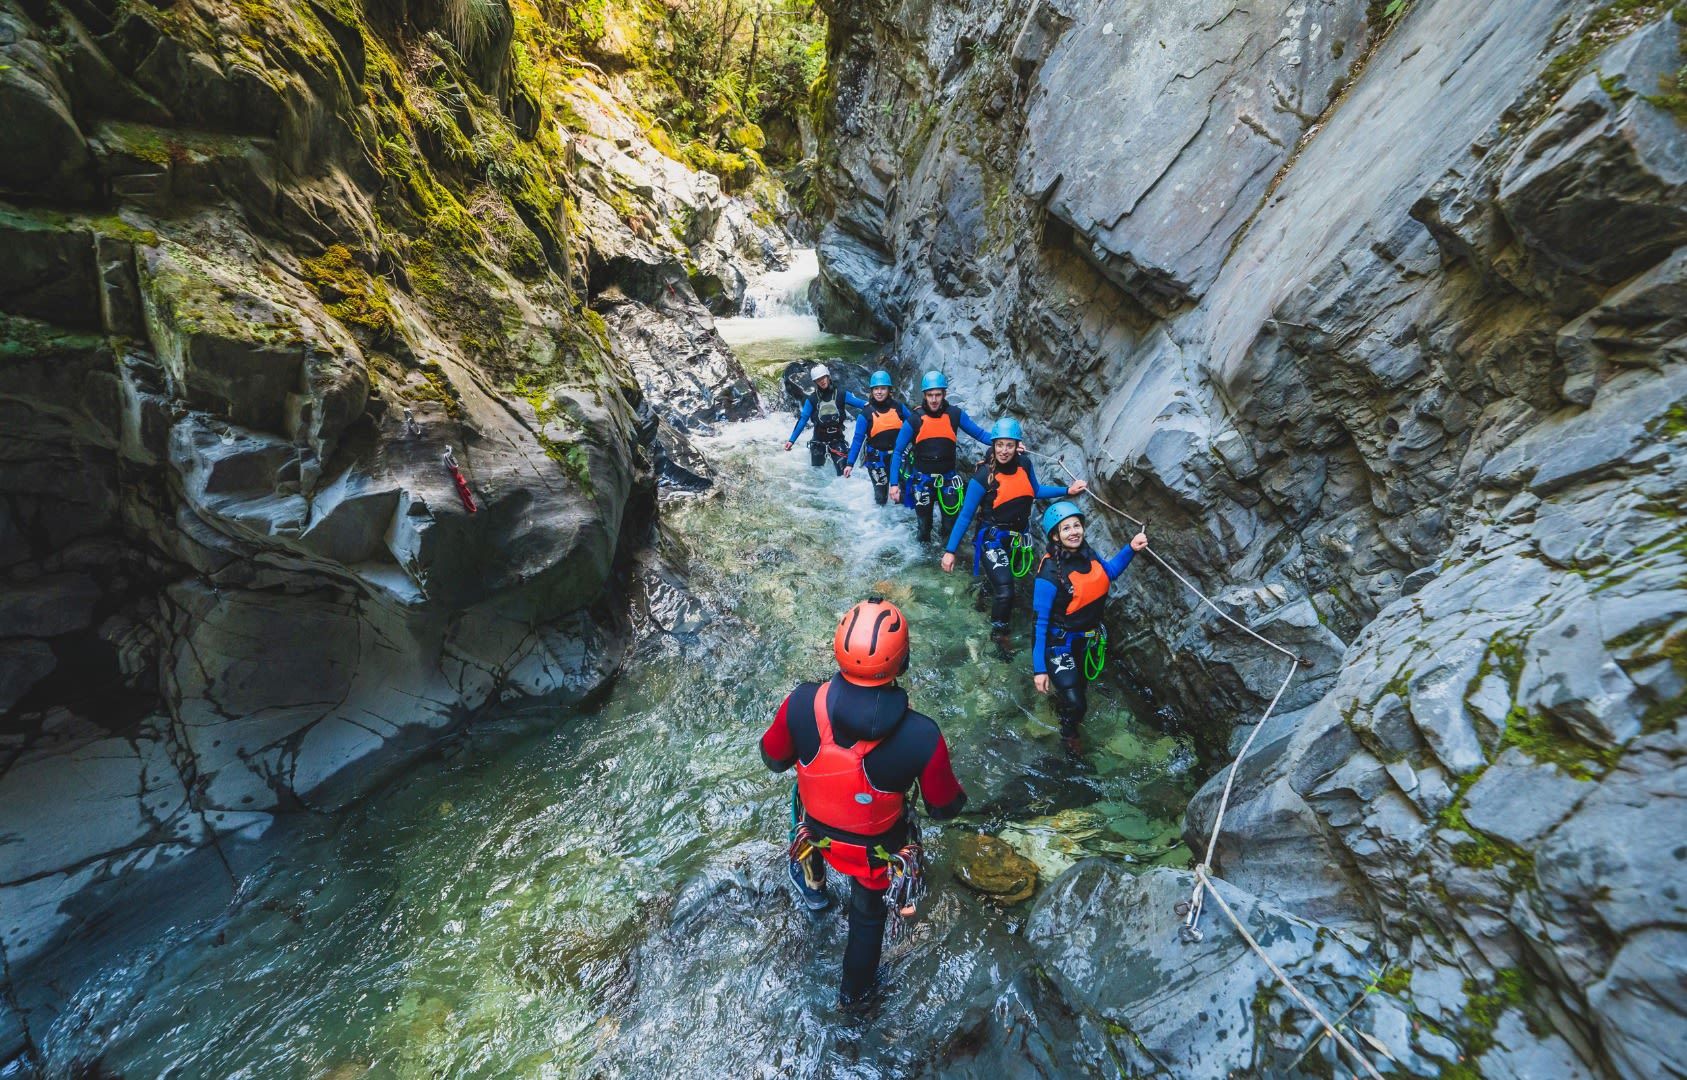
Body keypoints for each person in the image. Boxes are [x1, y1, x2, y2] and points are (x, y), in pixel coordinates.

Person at [760, 598, 968, 1009]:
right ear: (902, 663)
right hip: (875, 853)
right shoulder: (922, 735)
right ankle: (854, 999)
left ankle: (815, 886)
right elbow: (944, 806)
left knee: (801, 789)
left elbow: (773, 757)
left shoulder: (802, 701)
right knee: (867, 912)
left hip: (816, 834)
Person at [940, 418, 1085, 652]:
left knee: (999, 583)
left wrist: (1067, 490)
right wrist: (950, 551)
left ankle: (981, 598)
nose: (1004, 451)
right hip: (992, 539)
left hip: (1017, 539)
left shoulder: (1025, 465)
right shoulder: (982, 477)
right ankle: (999, 636)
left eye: (1009, 445)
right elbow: (965, 516)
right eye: (1000, 445)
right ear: (993, 445)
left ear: (1018, 445)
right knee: (1007, 590)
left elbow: (1035, 491)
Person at [1031, 501, 1149, 754]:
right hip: (1059, 644)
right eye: (1066, 528)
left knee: (1078, 692)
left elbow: (1111, 573)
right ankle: (1068, 736)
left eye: (1077, 526)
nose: (1074, 532)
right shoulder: (1049, 574)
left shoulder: (1089, 554)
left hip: (1086, 640)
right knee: (1077, 702)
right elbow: (1039, 624)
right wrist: (1039, 670)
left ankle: (1064, 706)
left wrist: (1131, 548)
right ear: (1055, 535)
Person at [886, 371, 991, 543]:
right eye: (930, 395)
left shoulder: (955, 415)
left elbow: (979, 434)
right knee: (923, 527)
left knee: (950, 526)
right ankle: (924, 563)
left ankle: (946, 557)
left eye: (937, 395)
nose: (934, 400)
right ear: (924, 395)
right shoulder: (914, 420)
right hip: (922, 482)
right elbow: (897, 451)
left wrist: (1004, 440)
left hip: (948, 480)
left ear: (944, 394)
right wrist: (894, 484)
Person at [842, 370, 911, 505]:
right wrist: (850, 464)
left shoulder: (899, 408)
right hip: (876, 460)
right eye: (876, 389)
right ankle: (881, 521)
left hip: (898, 457)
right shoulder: (866, 413)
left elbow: (915, 424)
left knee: (902, 494)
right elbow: (857, 440)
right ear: (872, 391)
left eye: (883, 388)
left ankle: (902, 522)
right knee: (881, 497)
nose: (879, 392)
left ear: (889, 390)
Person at [785, 364, 866, 475]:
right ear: (815, 382)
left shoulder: (841, 394)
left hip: (837, 441)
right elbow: (803, 420)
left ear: (828, 377)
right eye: (818, 379)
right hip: (818, 443)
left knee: (844, 475)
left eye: (823, 377)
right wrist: (791, 440)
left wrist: (876, 404)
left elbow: (862, 404)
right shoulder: (812, 399)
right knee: (816, 475)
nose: (822, 381)